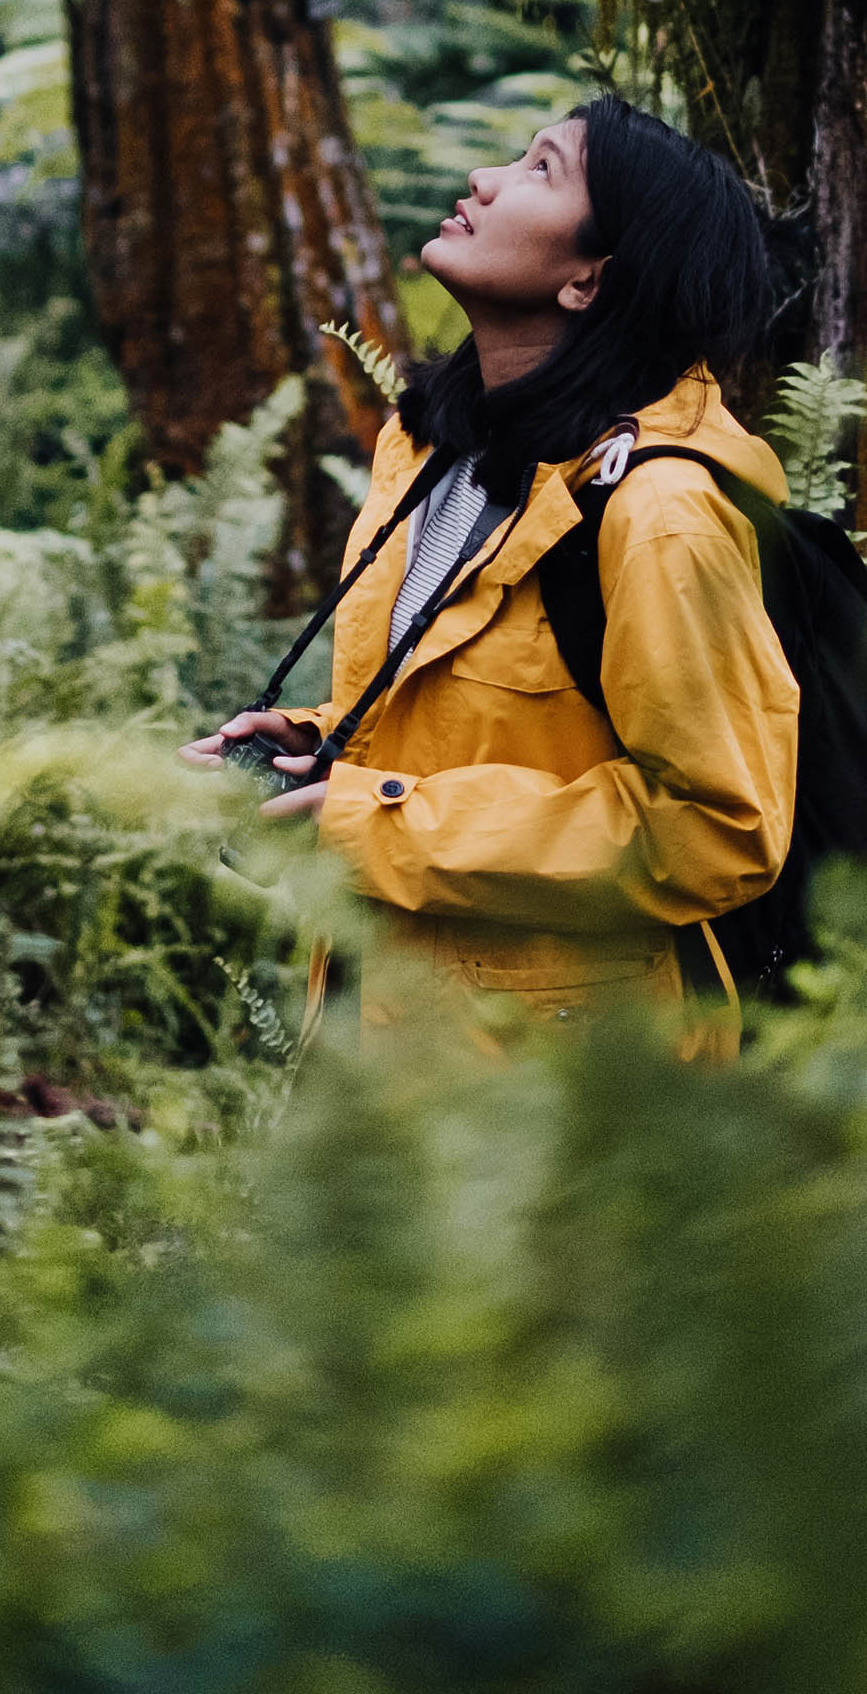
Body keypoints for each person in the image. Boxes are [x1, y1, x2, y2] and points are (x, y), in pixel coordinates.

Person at [182, 96, 798, 1054]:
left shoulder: (658, 515)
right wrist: (314, 752)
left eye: (539, 171)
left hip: (569, 1084)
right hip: (391, 1032)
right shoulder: (430, 446)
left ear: (591, 278)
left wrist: (370, 824)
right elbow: (498, 726)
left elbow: (719, 828)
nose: (485, 180)